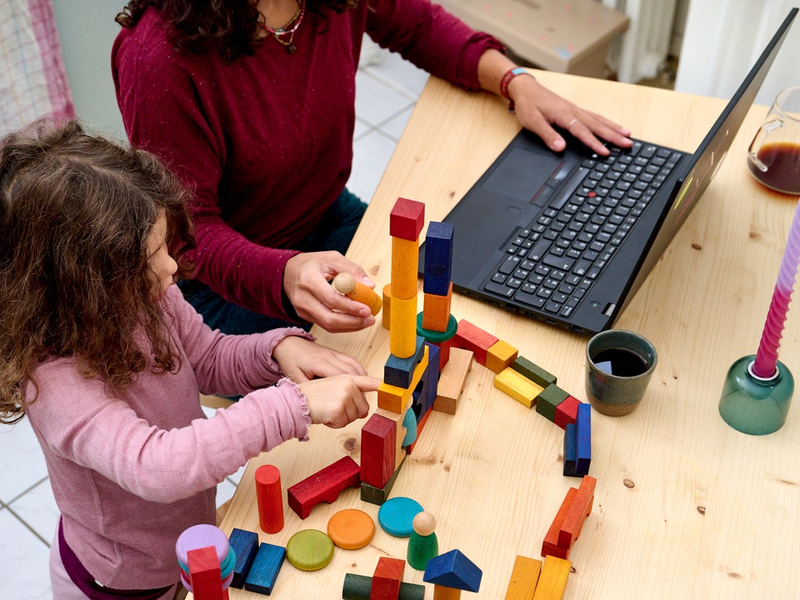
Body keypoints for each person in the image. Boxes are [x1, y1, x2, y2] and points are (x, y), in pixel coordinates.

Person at [0, 120, 379, 599]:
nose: (171, 267)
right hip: (122, 584)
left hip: (187, 549)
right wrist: (293, 406)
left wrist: (277, 348)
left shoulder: (146, 297)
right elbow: (160, 466)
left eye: (163, 247)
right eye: (148, 258)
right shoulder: (56, 386)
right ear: (83, 285)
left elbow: (210, 356)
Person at [112, 0, 632, 336]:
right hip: (225, 284)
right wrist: (285, 272)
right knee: (390, 380)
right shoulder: (158, 58)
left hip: (321, 217)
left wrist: (516, 81)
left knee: (467, 309)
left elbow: (419, 24)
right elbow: (189, 236)